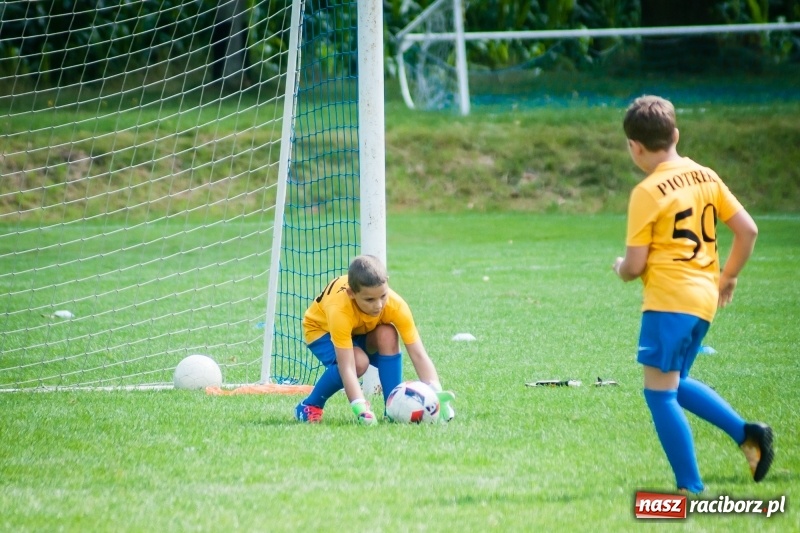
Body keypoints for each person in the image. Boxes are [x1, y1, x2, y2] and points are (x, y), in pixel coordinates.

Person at [612, 95, 773, 493]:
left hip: (669, 301)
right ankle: (747, 434)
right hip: (704, 299)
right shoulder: (706, 176)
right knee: (675, 382)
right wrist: (729, 275)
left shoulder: (647, 192)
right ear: (676, 134)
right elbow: (747, 230)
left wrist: (620, 268)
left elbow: (633, 267)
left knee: (659, 396)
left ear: (634, 147)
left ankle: (691, 488)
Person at [295, 254, 455, 424]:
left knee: (388, 333)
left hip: (360, 330)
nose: (378, 305)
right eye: (369, 299)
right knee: (358, 362)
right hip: (321, 331)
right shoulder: (339, 310)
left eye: (383, 296)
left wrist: (436, 393)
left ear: (387, 282)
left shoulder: (396, 305)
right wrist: (360, 408)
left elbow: (418, 354)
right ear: (351, 294)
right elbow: (348, 367)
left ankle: (392, 410)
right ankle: (310, 405)